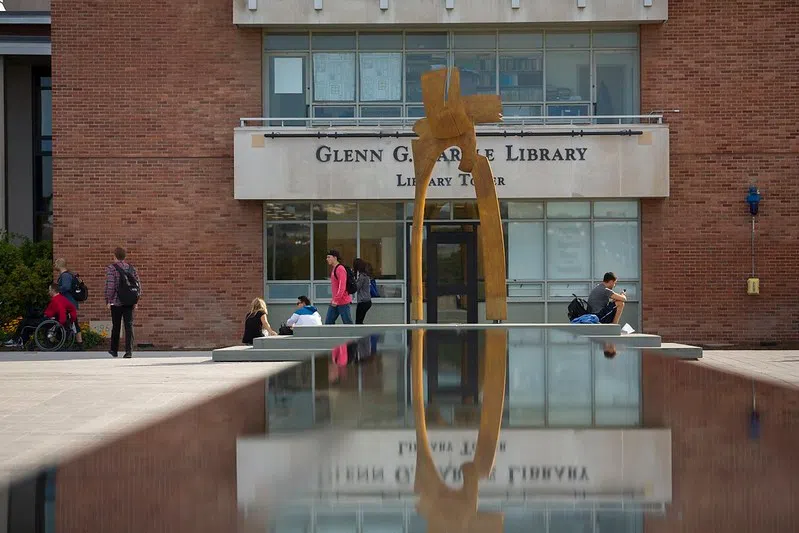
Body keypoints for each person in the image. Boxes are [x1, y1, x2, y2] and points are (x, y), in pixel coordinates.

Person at [105, 247, 141, 358]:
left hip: (116, 301)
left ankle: (114, 350)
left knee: (116, 326)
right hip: (129, 301)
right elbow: (138, 284)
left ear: (115, 256)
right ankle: (129, 351)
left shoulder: (112, 268)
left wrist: (108, 300)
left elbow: (110, 285)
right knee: (129, 326)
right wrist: (136, 300)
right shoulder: (131, 268)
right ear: (124, 256)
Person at [55, 258, 84, 349]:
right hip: (70, 303)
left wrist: (57, 290)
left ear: (59, 265)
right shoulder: (67, 275)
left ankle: (77, 343)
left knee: (70, 322)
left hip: (68, 303)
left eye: (55, 263)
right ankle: (79, 344)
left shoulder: (65, 276)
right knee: (74, 323)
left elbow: (66, 287)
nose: (54, 265)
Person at [325, 249, 353, 325]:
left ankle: (351, 336)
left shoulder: (340, 269)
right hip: (335, 302)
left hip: (342, 301)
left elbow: (342, 286)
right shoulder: (334, 269)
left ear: (335, 257)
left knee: (347, 323)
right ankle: (331, 336)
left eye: (329, 257)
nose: (327, 259)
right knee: (328, 322)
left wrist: (336, 300)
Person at [353, 258, 372, 325]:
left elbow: (357, 287)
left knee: (358, 322)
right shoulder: (366, 275)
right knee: (360, 321)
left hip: (363, 301)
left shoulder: (362, 276)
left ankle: (362, 334)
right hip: (367, 300)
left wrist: (352, 282)